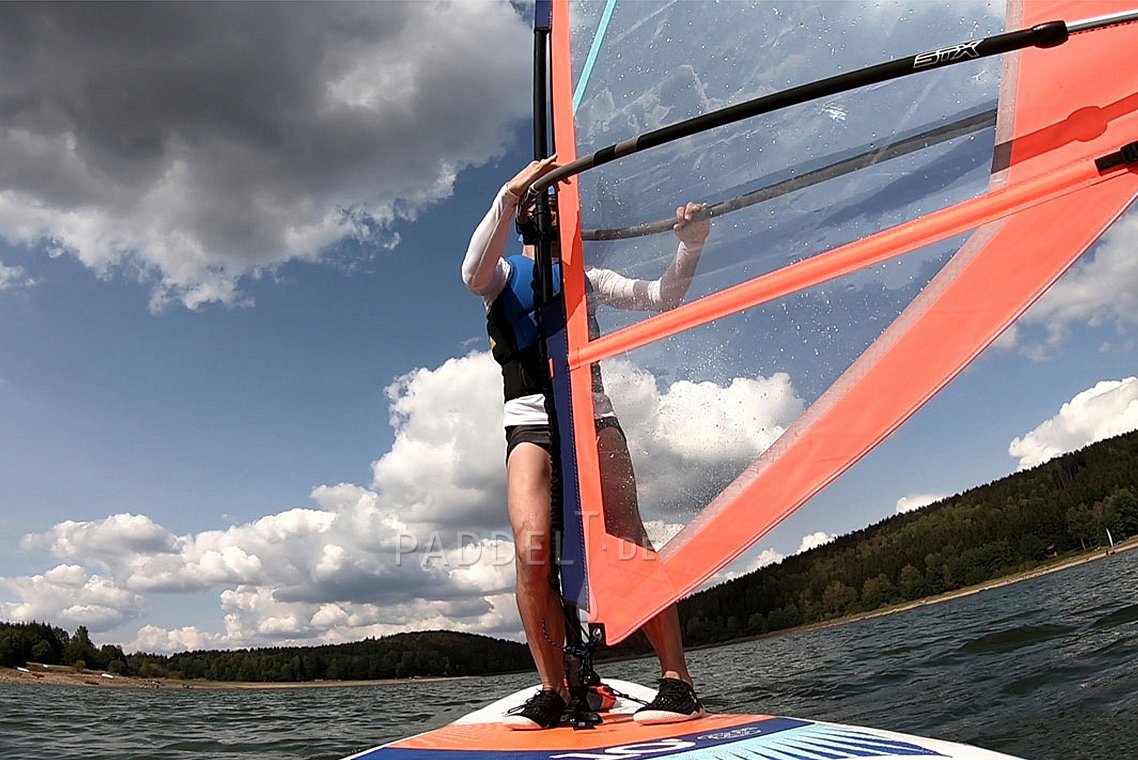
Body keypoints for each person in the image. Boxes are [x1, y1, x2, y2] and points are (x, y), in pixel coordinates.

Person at [462, 157, 710, 730]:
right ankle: (554, 688)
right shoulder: (498, 276)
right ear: (523, 215)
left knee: (626, 532)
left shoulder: (588, 280)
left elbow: (663, 295)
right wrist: (511, 190)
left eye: (555, 200)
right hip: (529, 420)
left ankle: (677, 682)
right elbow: (471, 268)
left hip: (591, 414)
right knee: (532, 550)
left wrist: (690, 245)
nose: (547, 206)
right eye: (538, 201)